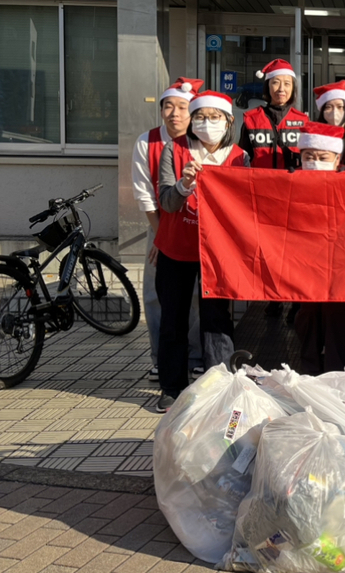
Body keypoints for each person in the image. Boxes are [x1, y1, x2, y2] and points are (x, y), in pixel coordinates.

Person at [154, 91, 250, 413]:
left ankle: (219, 386)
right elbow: (166, 201)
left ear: (228, 122)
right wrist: (183, 185)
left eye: (215, 117)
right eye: (200, 117)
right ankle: (172, 387)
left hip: (218, 253)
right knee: (173, 318)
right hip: (177, 248)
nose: (207, 124)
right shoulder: (175, 149)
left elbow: (245, 206)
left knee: (217, 320)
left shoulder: (239, 157)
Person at [131, 78, 207, 383]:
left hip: (195, 227)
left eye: (181, 107)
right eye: (168, 106)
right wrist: (161, 236)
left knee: (195, 296)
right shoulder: (146, 141)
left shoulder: (201, 142)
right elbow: (144, 194)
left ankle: (196, 355)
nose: (174, 113)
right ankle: (159, 358)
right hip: (159, 223)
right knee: (155, 294)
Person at [240, 59, 309, 320]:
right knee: (268, 251)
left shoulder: (303, 121)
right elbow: (242, 159)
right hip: (263, 198)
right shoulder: (250, 119)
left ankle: (294, 300)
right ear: (267, 87)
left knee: (293, 252)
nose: (281, 88)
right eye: (276, 83)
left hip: (294, 199)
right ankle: (273, 297)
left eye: (287, 84)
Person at [293, 122, 345, 374]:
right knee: (307, 318)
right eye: (309, 157)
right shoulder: (290, 180)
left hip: (340, 264)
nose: (315, 162)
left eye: (322, 157)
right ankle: (308, 372)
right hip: (303, 263)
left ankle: (340, 374)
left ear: (337, 158)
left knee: (338, 318)